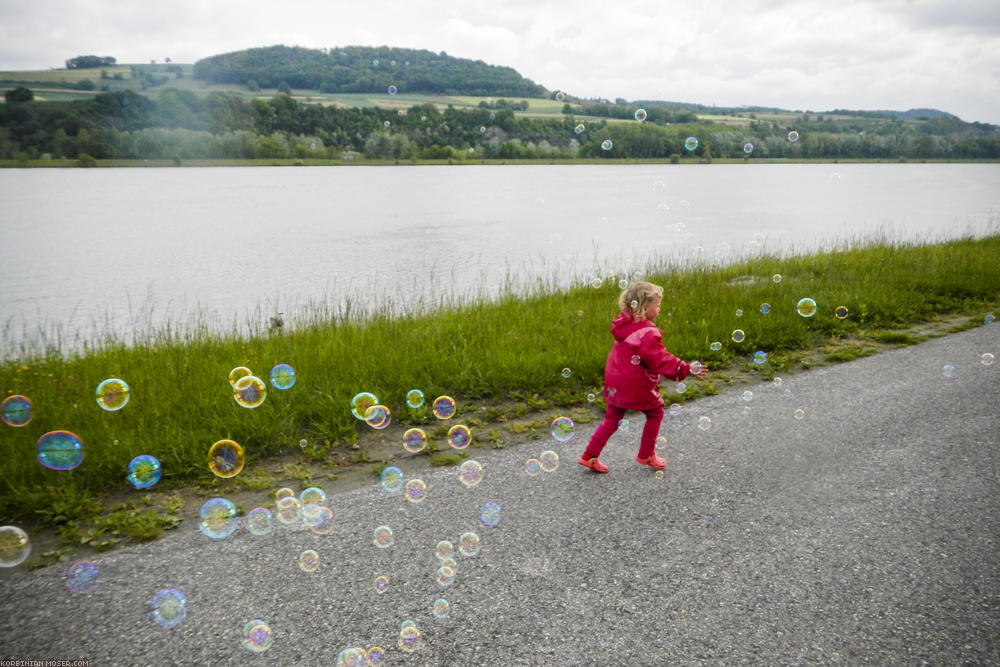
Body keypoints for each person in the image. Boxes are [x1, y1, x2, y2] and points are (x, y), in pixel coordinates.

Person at [579, 280, 708, 473]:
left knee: (612, 419)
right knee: (655, 412)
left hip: (616, 379)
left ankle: (589, 455)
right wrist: (685, 368)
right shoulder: (647, 333)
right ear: (645, 307)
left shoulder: (625, 326)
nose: (659, 309)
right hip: (636, 383)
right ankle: (646, 454)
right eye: (657, 305)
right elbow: (661, 360)